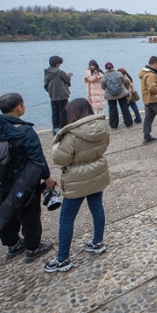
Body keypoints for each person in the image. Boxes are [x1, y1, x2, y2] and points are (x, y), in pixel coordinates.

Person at [0, 93, 55, 263]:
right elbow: (36, 158)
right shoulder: (24, 131)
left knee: (6, 209)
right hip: (25, 179)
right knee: (29, 214)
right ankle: (33, 247)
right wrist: (47, 177)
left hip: (1, 178)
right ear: (18, 108)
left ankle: (13, 244)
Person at [43, 98, 110, 273]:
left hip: (77, 177)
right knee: (97, 208)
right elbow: (104, 146)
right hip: (97, 171)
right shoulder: (102, 126)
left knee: (66, 218)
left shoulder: (71, 134)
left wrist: (57, 145)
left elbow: (60, 158)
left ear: (72, 113)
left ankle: (63, 259)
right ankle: (97, 242)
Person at [100, 63, 133, 130]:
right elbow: (124, 81)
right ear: (113, 67)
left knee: (112, 109)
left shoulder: (104, 77)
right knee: (124, 108)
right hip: (121, 93)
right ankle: (128, 123)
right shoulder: (118, 74)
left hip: (110, 95)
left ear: (106, 68)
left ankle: (114, 125)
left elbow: (103, 86)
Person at [44, 55, 72, 134]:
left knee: (55, 113)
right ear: (57, 64)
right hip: (62, 95)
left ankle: (55, 129)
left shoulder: (47, 72)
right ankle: (63, 128)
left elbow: (46, 83)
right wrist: (68, 75)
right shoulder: (59, 72)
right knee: (63, 112)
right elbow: (67, 79)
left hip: (52, 95)